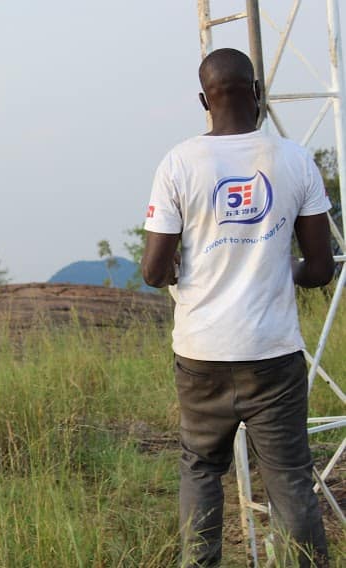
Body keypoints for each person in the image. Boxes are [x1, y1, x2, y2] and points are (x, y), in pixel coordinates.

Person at [141, 48, 333, 567]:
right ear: (258, 94)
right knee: (290, 477)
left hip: (201, 351)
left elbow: (154, 272)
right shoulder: (294, 160)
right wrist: (276, 265)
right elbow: (320, 269)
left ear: (205, 100)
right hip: (272, 353)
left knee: (201, 468)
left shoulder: (179, 162)